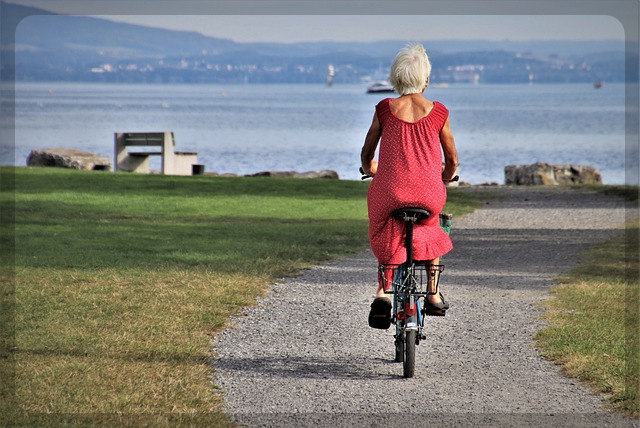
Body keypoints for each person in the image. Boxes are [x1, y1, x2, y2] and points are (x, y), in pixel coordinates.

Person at [360, 43, 459, 329]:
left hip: (390, 191)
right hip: (428, 193)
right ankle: (433, 291)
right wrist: (447, 175)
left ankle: (383, 293)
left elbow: (367, 154)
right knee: (431, 226)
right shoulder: (439, 112)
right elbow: (451, 158)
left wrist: (371, 169)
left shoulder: (384, 109)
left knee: (385, 225)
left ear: (396, 78)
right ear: (425, 79)